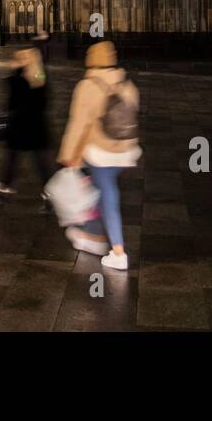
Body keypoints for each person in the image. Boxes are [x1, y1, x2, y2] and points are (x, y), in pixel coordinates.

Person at [57, 40, 141, 271]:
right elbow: (132, 115)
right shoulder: (126, 82)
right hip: (124, 151)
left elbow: (78, 125)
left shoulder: (88, 85)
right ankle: (92, 235)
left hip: (100, 152)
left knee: (107, 197)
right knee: (98, 190)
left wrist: (68, 154)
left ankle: (118, 251)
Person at [0, 48, 55, 199]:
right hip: (31, 124)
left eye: (22, 58)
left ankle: (3, 185)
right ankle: (46, 189)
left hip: (21, 125)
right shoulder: (39, 76)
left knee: (19, 157)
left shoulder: (20, 78)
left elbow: (12, 103)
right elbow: (44, 98)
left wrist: (15, 72)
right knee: (33, 158)